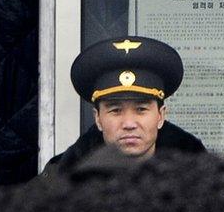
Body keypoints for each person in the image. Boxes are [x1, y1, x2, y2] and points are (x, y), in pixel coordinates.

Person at [43, 36, 205, 175]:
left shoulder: (200, 180)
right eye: (116, 110)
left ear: (161, 116)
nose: (129, 124)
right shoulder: (61, 179)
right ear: (98, 119)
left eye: (141, 110)